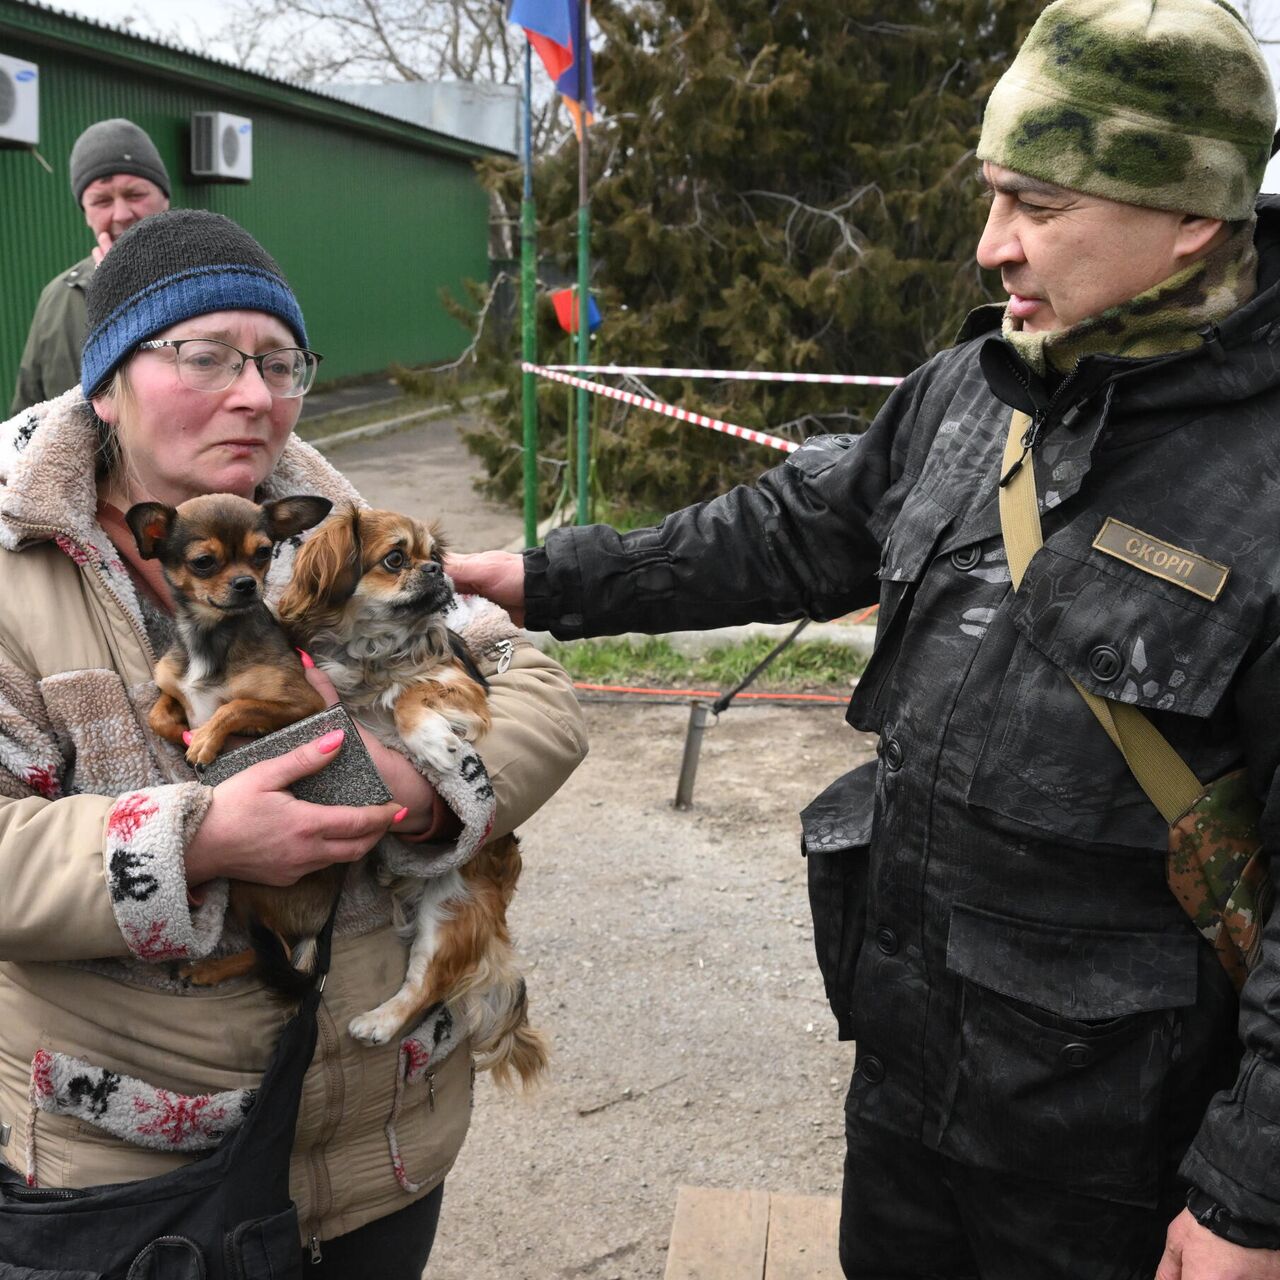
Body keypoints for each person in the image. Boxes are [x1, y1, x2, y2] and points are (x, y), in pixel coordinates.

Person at [448, 1, 1280, 1275]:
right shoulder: (977, 387)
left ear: (1192, 214)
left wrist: (1241, 1201)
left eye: (1039, 207)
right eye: (991, 192)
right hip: (908, 1074)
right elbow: (788, 530)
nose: (989, 245)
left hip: (1123, 1153)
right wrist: (531, 575)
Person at [0, 208, 586, 1277]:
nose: (255, 393)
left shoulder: (342, 525)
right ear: (104, 384)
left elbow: (536, 683)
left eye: (280, 361)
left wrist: (427, 778)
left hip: (380, 1146)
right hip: (134, 1168)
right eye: (206, 354)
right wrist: (195, 841)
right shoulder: (13, 570)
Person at [10, 118, 171, 414]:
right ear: (85, 213)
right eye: (101, 200)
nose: (121, 214)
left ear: (165, 200)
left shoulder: (213, 282)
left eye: (135, 195)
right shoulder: (58, 298)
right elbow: (26, 421)